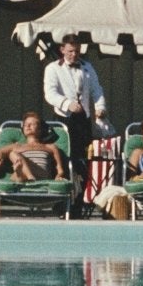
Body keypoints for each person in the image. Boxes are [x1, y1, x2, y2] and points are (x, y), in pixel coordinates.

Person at [42, 36, 107, 181]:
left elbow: (96, 90)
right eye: (70, 51)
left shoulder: (87, 67)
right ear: (62, 50)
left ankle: (83, 196)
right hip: (63, 118)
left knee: (84, 156)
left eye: (77, 51)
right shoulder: (52, 68)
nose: (74, 55)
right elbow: (50, 93)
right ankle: (63, 193)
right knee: (64, 155)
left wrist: (100, 107)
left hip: (83, 118)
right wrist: (66, 103)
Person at [0, 112, 64, 186]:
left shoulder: (50, 147)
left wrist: (58, 176)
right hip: (22, 177)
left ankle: (23, 175)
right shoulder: (16, 146)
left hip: (41, 175)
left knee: (13, 154)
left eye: (32, 124)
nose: (27, 126)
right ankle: (25, 175)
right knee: (12, 153)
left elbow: (60, 169)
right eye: (25, 124)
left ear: (40, 129)